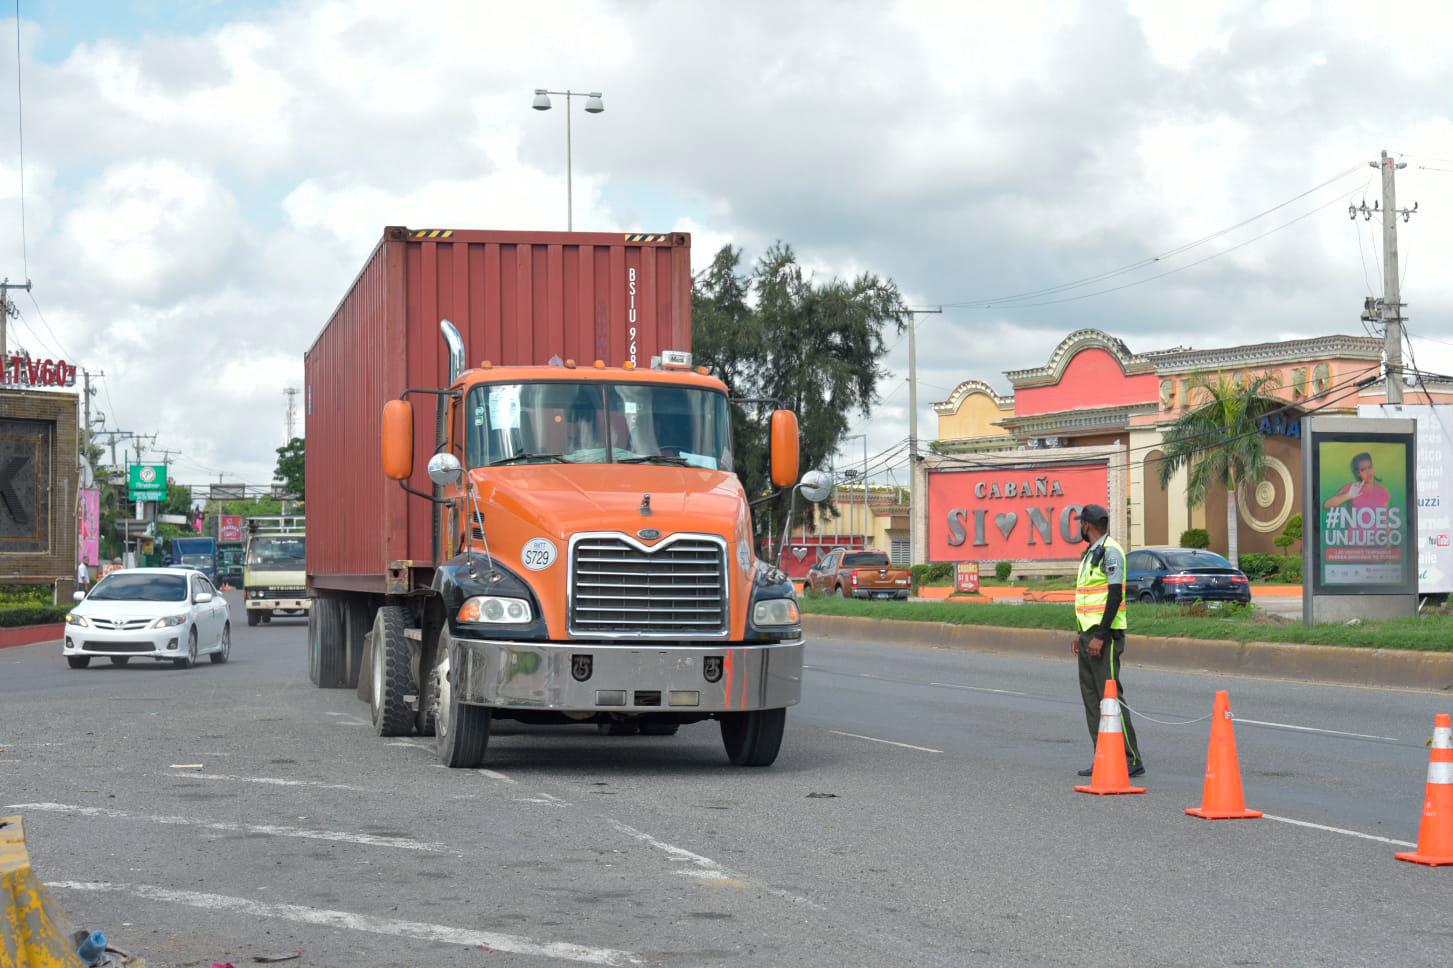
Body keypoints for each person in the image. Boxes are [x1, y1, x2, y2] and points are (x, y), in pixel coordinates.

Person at [1071, 503, 1144, 778]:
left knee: (1110, 698)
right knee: (1092, 699)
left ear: (1087, 525)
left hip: (1105, 636)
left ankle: (1130, 758)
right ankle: (1103, 755)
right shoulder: (1091, 553)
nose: (1080, 527)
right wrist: (1081, 632)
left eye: (1081, 524)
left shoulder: (1111, 551)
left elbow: (1114, 596)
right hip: (1089, 633)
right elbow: (1089, 597)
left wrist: (1100, 635)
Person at [1324, 451, 1390, 511]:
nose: (1368, 472)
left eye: (1370, 467)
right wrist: (1348, 495)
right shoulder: (1353, 488)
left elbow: (1384, 521)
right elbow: (1327, 505)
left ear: (1373, 467)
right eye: (1363, 469)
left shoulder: (1383, 491)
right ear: (1358, 473)